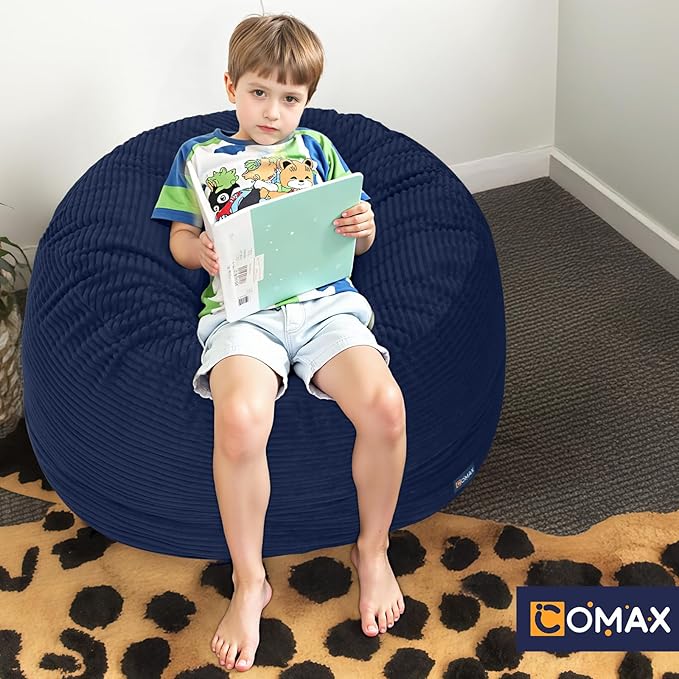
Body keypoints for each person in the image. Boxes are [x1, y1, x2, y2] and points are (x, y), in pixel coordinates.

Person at [152, 13, 407, 673]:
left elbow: (357, 238)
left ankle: (372, 549)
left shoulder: (318, 149)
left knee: (386, 406)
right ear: (231, 87)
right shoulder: (198, 156)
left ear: (306, 100)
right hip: (243, 313)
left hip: (323, 303)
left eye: (290, 98)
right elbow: (177, 239)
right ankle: (249, 581)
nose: (272, 112)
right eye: (259, 92)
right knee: (239, 419)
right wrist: (199, 249)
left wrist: (363, 227)